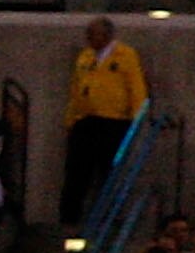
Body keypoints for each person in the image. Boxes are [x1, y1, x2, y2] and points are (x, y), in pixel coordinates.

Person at [62, 14, 148, 220]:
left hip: (113, 122)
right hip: (85, 120)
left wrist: (136, 118)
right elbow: (76, 89)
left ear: (107, 35)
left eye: (94, 35)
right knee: (76, 172)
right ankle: (69, 217)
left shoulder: (125, 55)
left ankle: (108, 217)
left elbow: (136, 88)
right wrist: (71, 119)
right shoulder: (85, 57)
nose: (89, 39)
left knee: (108, 172)